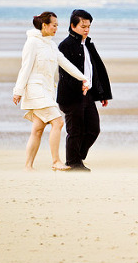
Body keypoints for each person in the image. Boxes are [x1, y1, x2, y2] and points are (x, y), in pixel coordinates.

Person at [12, 11, 89, 171]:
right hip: (35, 91)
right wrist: (18, 90)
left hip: (47, 92)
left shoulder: (51, 45)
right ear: (44, 25)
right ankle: (55, 161)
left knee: (38, 130)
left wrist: (83, 78)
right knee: (58, 122)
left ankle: (28, 166)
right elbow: (25, 68)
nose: (56, 28)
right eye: (53, 25)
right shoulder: (32, 43)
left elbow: (65, 63)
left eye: (57, 25)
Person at [57, 9, 112, 172]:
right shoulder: (65, 46)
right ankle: (73, 163)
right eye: (83, 26)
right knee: (75, 131)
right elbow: (64, 73)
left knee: (93, 129)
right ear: (73, 26)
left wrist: (102, 93)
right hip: (71, 94)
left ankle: (77, 158)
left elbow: (96, 70)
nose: (86, 29)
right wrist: (78, 87)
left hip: (88, 94)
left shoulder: (87, 44)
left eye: (88, 26)